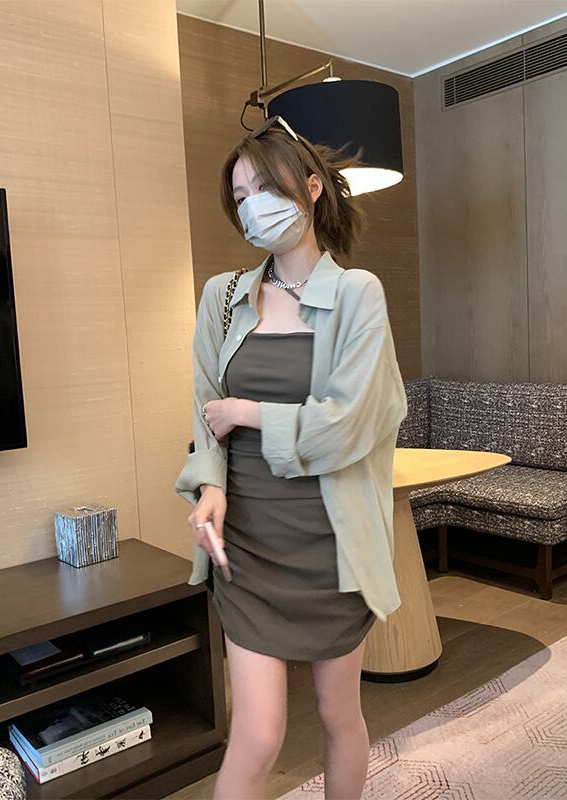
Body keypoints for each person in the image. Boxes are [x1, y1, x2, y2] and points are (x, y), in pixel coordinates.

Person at [174, 115, 406, 800]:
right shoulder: (223, 299)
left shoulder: (358, 294)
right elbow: (204, 411)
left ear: (311, 188)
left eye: (265, 189)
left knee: (339, 715)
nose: (253, 207)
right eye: (240, 197)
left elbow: (352, 424)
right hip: (248, 542)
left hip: (332, 543)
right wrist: (210, 487)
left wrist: (249, 412)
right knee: (258, 735)